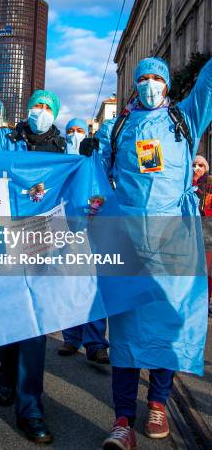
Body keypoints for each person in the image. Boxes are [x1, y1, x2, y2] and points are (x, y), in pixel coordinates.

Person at [81, 56, 212, 449]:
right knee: (125, 327)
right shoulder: (117, 127)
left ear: (168, 85)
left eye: (157, 78)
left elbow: (208, 85)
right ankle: (123, 419)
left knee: (168, 324)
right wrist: (90, 178)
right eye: (144, 79)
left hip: (175, 239)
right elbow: (94, 178)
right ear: (134, 85)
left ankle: (157, 403)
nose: (150, 84)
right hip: (129, 239)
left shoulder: (185, 120)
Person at [0, 70, 66, 444]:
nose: (39, 111)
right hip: (0, 236)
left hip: (41, 241)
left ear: (55, 113)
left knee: (35, 327)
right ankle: (6, 377)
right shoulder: (7, 140)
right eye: (35, 105)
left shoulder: (64, 153)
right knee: (5, 315)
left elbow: (81, 194)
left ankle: (30, 408)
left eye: (46, 106)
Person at [59, 117, 109, 364]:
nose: (75, 134)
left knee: (95, 285)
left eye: (79, 130)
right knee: (71, 284)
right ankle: (71, 338)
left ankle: (96, 343)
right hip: (66, 228)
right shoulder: (59, 159)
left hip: (94, 227)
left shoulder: (95, 155)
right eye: (71, 131)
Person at [192, 155, 212, 312]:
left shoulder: (209, 186)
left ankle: (206, 302)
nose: (197, 168)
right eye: (194, 165)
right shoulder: (183, 183)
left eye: (201, 165)